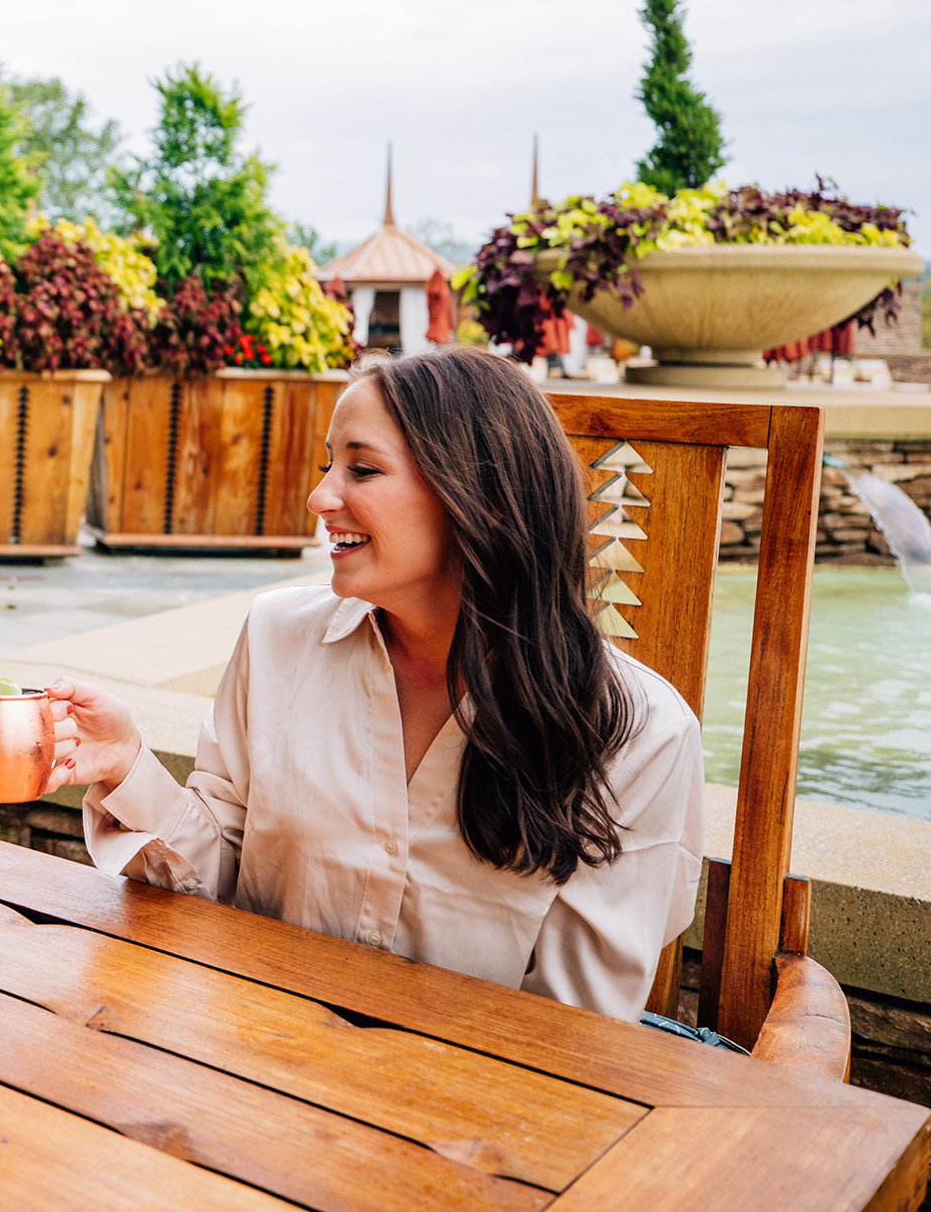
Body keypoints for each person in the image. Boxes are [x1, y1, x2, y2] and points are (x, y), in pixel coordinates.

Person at [50, 348, 705, 1019]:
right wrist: (128, 764)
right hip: (255, 1066)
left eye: (362, 468)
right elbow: (219, 875)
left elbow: (575, 1029)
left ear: (485, 503)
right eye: (327, 464)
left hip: (474, 1112)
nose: (320, 496)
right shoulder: (277, 636)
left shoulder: (640, 733)